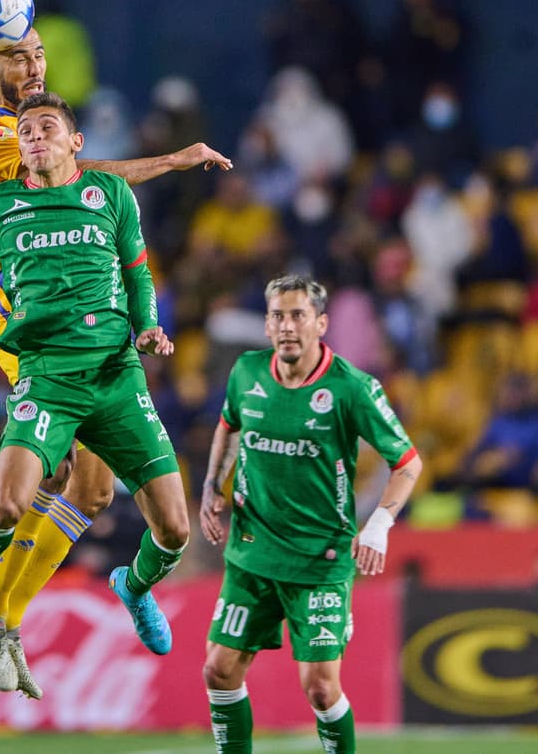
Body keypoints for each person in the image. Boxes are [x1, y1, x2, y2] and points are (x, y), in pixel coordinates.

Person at [0, 26, 232, 698]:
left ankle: (3, 616)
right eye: (21, 55)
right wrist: (169, 161)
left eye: (42, 54)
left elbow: (102, 205)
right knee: (42, 482)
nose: (36, 64)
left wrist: (147, 324)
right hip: (29, 332)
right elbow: (84, 182)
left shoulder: (48, 136)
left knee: (95, 490)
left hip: (93, 339)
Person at [0, 92, 188, 694]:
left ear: (75, 141)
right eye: (25, 129)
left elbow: (138, 272)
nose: (32, 136)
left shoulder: (109, 195)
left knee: (171, 529)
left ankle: (132, 587)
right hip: (45, 375)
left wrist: (150, 325)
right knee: (10, 503)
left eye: (46, 127)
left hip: (115, 376)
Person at [198, 274, 424, 754]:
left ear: (321, 324)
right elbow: (229, 426)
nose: (287, 326)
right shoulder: (246, 372)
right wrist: (211, 486)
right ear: (265, 325)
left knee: (320, 687)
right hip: (252, 552)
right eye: (277, 315)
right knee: (219, 669)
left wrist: (379, 525)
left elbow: (407, 464)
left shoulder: (352, 388)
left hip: (319, 562)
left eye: (298, 315)